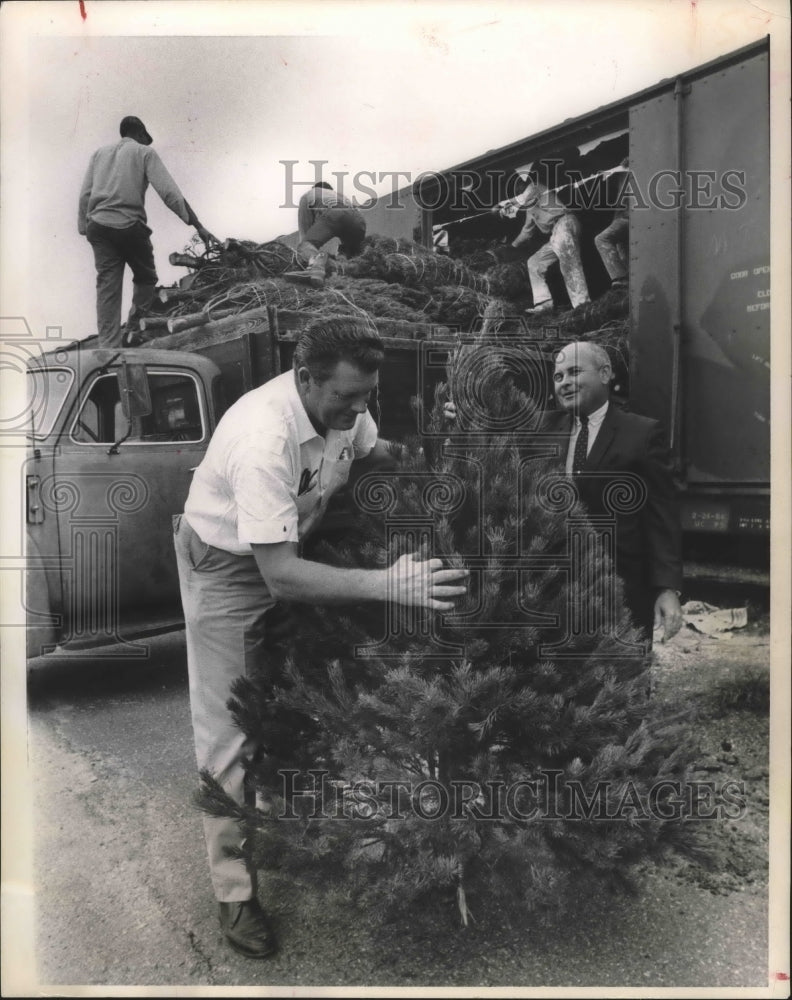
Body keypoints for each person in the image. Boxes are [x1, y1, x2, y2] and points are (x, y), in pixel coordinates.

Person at [173, 318, 468, 959]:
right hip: (229, 569)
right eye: (346, 397)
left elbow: (375, 450)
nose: (358, 409)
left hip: (291, 549)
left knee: (295, 698)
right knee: (227, 730)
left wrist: (437, 458)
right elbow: (278, 577)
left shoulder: (346, 404)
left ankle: (284, 825)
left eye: (367, 395)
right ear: (304, 379)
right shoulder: (262, 437)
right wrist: (388, 584)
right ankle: (233, 893)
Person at [544, 341, 683, 642]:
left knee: (624, 681)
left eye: (574, 372)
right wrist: (459, 418)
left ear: (605, 373)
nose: (565, 383)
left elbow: (661, 515)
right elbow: (492, 442)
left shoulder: (642, 434)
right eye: (558, 376)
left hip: (623, 590)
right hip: (557, 589)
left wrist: (666, 588)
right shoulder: (543, 429)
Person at [78, 116, 217, 348]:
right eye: (146, 138)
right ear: (140, 134)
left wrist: (84, 226)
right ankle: (133, 326)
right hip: (128, 225)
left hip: (99, 227)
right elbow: (169, 192)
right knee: (146, 277)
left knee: (107, 287)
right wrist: (197, 225)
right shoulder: (144, 152)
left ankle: (108, 347)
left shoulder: (99, 154)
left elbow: (85, 194)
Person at [494, 172, 590, 313]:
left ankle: (582, 305)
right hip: (556, 233)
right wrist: (511, 246)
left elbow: (524, 198)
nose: (518, 190)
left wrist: (501, 206)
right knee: (534, 263)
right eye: (515, 190)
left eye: (519, 187)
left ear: (524, 184)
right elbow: (527, 231)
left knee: (569, 264)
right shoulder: (530, 208)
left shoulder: (536, 187)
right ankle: (544, 303)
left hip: (564, 223)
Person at [283, 181, 366, 289]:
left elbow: (305, 234)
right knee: (347, 251)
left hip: (334, 214)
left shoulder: (308, 195)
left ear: (314, 188)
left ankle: (317, 267)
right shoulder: (340, 196)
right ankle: (344, 269)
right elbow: (349, 219)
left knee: (305, 246)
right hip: (360, 221)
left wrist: (304, 257)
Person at [594, 158, 630, 291]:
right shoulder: (622, 177)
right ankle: (629, 281)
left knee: (601, 239)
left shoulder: (629, 171)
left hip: (631, 218)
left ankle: (620, 278)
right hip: (626, 218)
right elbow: (619, 206)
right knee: (621, 248)